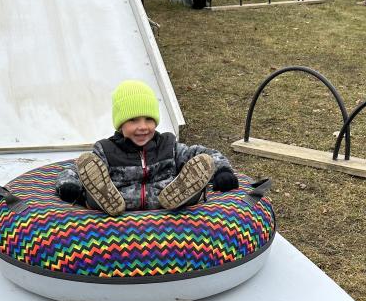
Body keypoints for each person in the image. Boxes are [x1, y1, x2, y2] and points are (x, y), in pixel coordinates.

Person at [55, 80, 239, 216]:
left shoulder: (168, 146)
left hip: (166, 198)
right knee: (93, 192)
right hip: (118, 200)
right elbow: (78, 168)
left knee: (195, 179)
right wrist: (69, 185)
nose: (143, 127)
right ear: (120, 124)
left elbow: (202, 154)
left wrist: (222, 170)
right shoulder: (106, 149)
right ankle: (94, 197)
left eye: (149, 119)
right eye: (133, 120)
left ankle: (189, 193)